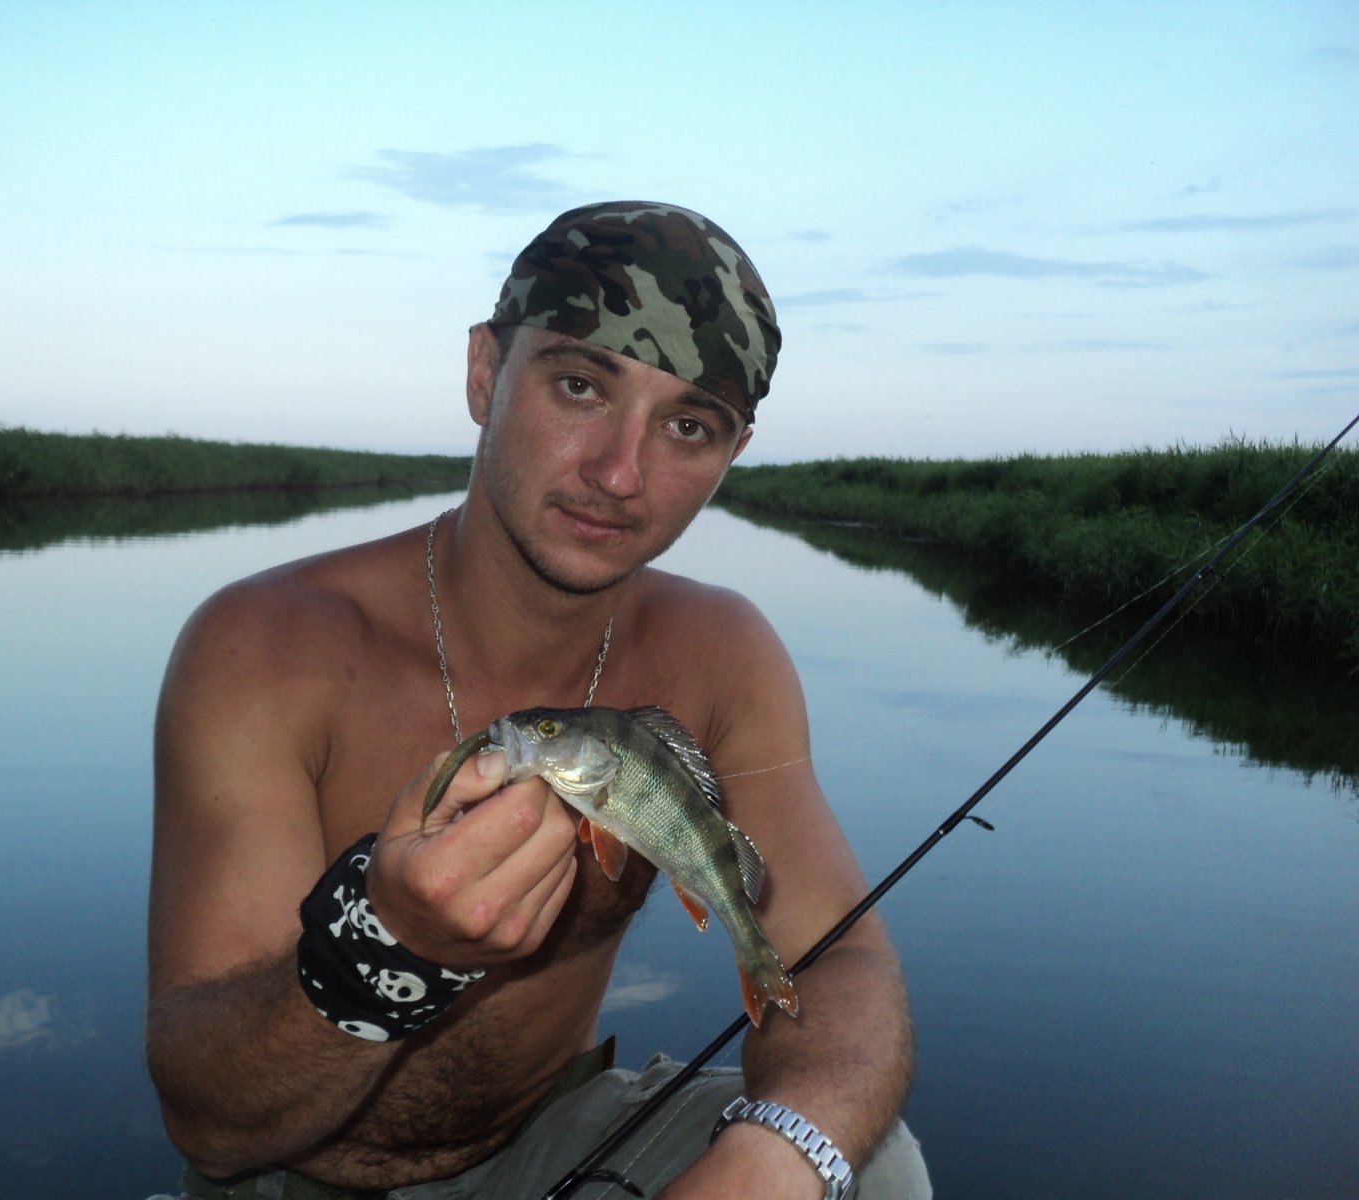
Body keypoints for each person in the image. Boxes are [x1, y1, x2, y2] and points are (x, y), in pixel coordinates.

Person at [145, 202, 931, 1200]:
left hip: (556, 1142)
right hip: (285, 1176)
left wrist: (775, 1158)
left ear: (729, 456)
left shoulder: (719, 653)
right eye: (579, 386)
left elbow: (837, 954)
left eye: (688, 426)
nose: (619, 473)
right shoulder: (267, 645)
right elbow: (212, 1125)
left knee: (869, 1167)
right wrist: (391, 946)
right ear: (485, 373)